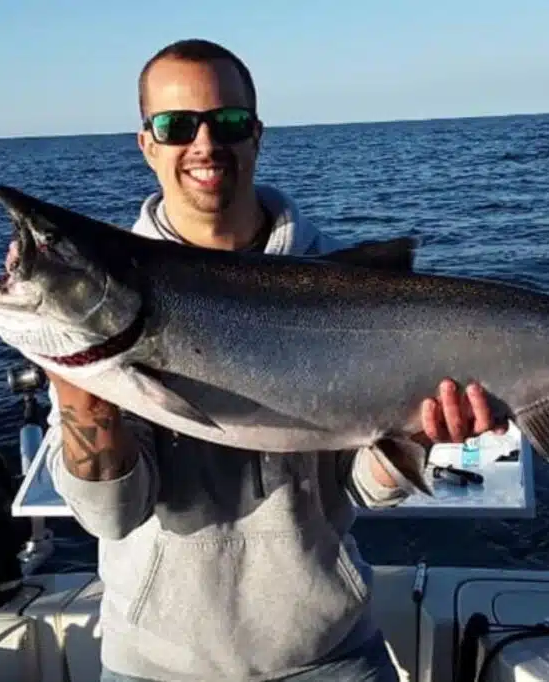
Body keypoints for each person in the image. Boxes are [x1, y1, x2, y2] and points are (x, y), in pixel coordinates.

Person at [43, 38, 507, 682]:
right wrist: (80, 396)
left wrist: (417, 435)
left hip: (329, 654)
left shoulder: (341, 279)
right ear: (147, 144)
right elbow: (111, 515)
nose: (205, 143)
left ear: (257, 135)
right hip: (153, 664)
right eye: (177, 126)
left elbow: (362, 489)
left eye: (228, 122)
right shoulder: (109, 290)